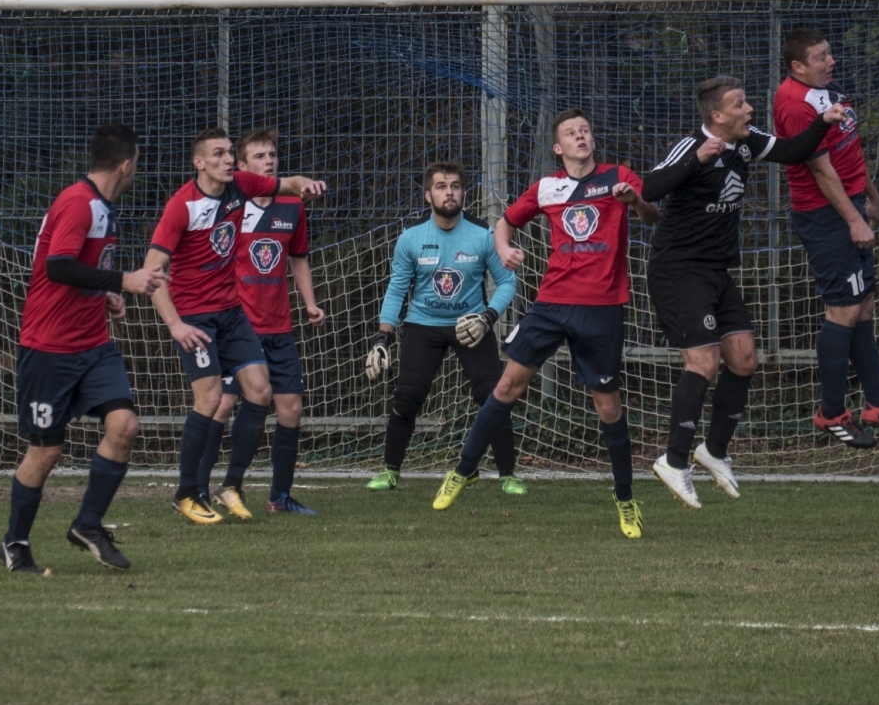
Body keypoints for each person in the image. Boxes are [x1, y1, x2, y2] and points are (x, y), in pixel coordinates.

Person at [432, 110, 658, 540]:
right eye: (571, 133)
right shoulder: (547, 188)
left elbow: (653, 218)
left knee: (608, 407)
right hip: (551, 304)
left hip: (602, 308)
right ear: (558, 147)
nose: (581, 136)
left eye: (586, 130)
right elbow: (504, 223)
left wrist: (637, 202)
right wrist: (503, 250)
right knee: (506, 386)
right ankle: (462, 471)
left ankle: (626, 500)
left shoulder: (618, 177)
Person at [642, 76, 846, 509]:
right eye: (740, 104)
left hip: (717, 271)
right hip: (678, 271)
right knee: (704, 360)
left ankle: (714, 451)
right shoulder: (692, 144)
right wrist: (696, 159)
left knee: (744, 360)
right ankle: (673, 460)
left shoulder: (747, 143)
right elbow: (650, 189)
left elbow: (794, 151)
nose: (750, 109)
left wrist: (824, 122)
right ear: (717, 116)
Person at [0, 124, 168, 574]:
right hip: (49, 349)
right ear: (126, 164)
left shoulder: (103, 207)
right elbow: (58, 267)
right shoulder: (78, 202)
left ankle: (88, 525)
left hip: (93, 345)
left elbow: (80, 269)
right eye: (137, 164)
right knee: (46, 453)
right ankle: (15, 543)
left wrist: (105, 294)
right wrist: (123, 282)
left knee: (125, 425)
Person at [142, 128, 325, 525]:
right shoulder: (182, 207)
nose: (228, 160)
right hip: (196, 317)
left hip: (231, 313)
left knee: (260, 391)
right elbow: (153, 271)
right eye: (219, 154)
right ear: (199, 162)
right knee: (211, 401)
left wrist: (305, 185)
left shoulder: (240, 185)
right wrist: (174, 324)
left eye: (230, 153)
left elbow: (287, 184)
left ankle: (233, 485)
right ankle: (188, 493)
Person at [772, 27, 879, 446]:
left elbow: (849, 147)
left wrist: (871, 197)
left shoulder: (829, 89)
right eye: (821, 57)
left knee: (863, 305)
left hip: (852, 204)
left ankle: (877, 404)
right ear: (797, 66)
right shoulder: (794, 103)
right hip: (825, 216)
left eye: (829, 54)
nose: (831, 61)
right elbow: (821, 171)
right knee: (842, 309)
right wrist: (853, 221)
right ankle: (831, 412)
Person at [362, 160, 518, 494]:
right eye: (441, 187)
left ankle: (508, 475)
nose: (449, 192)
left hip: (472, 325)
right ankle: (390, 471)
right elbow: (397, 289)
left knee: (492, 394)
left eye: (455, 186)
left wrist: (488, 317)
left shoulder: (484, 235)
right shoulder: (411, 238)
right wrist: (382, 337)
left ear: (464, 192)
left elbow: (507, 282)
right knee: (407, 396)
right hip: (423, 325)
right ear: (427, 195)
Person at [201, 129, 327, 517]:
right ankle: (199, 490)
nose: (269, 161)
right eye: (259, 157)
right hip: (239, 329)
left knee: (290, 409)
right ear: (241, 167)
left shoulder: (292, 206)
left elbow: (299, 257)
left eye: (273, 154)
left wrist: (310, 302)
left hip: (280, 328)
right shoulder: (229, 207)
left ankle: (280, 497)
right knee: (222, 407)